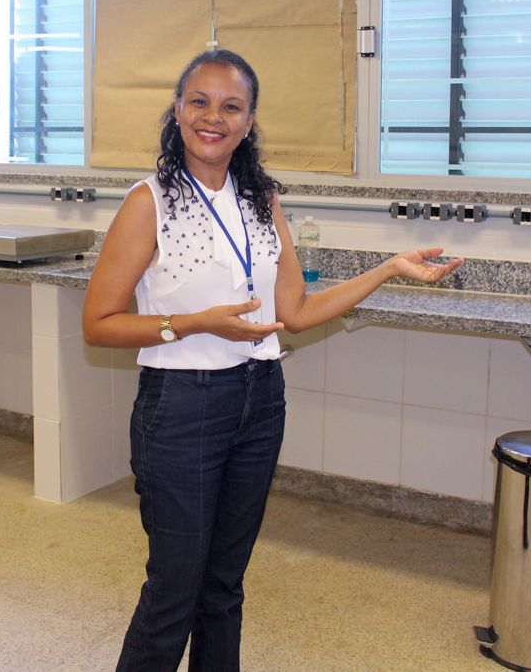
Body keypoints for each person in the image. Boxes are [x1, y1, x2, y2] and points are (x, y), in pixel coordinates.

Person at [82, 49, 463, 672]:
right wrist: (197, 322)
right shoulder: (149, 202)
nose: (213, 117)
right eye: (200, 101)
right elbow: (97, 324)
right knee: (174, 591)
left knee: (223, 587)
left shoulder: (262, 198)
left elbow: (296, 310)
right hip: (181, 407)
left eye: (231, 106)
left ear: (249, 121)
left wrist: (389, 269)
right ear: (177, 110)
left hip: (260, 401)